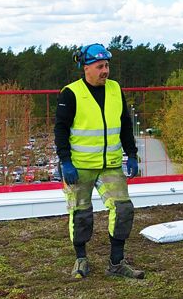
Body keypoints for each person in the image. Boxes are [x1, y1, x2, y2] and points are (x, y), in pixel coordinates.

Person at [54, 43, 144, 280]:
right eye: (100, 66)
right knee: (81, 213)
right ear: (86, 68)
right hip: (79, 167)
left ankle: (116, 263)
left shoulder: (115, 89)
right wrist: (65, 162)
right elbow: (60, 130)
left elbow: (125, 123)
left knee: (124, 209)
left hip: (110, 165)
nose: (105, 71)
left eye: (107, 66)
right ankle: (81, 259)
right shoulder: (71, 93)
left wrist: (132, 153)